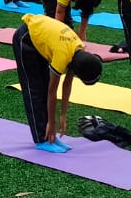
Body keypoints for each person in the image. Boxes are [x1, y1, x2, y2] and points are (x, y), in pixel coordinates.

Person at [13, 14, 104, 153]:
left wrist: (62, 116)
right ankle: (41, 139)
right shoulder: (63, 56)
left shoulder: (79, 51)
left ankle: (49, 136)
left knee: (43, 84)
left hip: (42, 40)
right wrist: (52, 123)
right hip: (25, 38)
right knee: (35, 90)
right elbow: (52, 91)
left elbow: (67, 85)